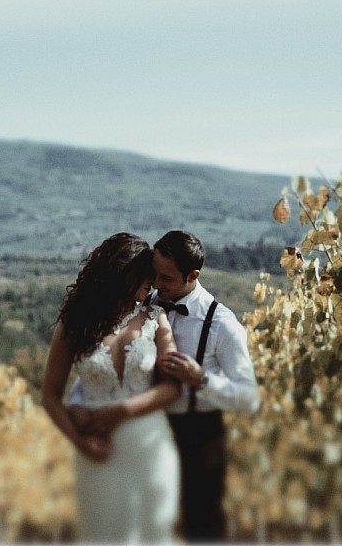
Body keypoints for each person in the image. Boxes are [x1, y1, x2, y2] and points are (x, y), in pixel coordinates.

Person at [70, 230, 260, 542]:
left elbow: (249, 398)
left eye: (166, 278)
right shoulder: (144, 307)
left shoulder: (223, 324)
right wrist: (81, 403)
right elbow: (103, 363)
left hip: (199, 438)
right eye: (154, 274)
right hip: (144, 433)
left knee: (202, 530)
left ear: (192, 275)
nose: (156, 284)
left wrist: (202, 379)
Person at [41, 232, 183, 543]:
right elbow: (50, 397)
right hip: (98, 452)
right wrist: (80, 443)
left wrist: (122, 411)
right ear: (122, 273)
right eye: (146, 273)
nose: (153, 282)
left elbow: (172, 387)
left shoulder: (156, 319)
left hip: (151, 449)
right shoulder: (74, 323)